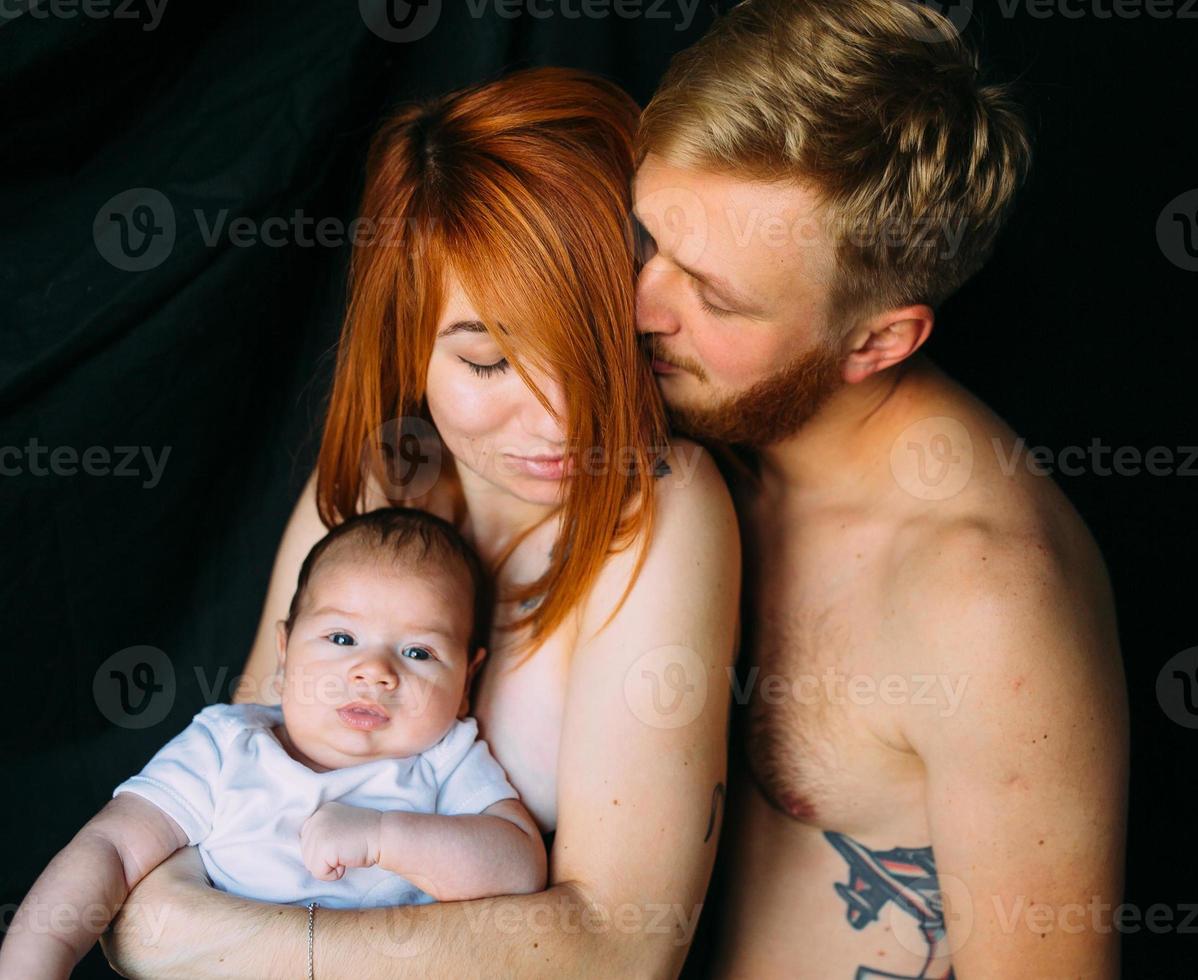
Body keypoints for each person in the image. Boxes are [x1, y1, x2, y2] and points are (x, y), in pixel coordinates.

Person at [100, 67, 740, 979]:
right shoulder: (388, 477)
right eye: (486, 362)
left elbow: (623, 948)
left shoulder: (663, 507)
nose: (560, 423)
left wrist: (196, 935)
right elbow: (229, 775)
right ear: (412, 338)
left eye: (594, 353)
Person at [632, 1, 1128, 976]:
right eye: (649, 240)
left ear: (879, 341)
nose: (644, 307)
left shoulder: (981, 594)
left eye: (716, 296)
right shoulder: (694, 432)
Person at [0, 508, 546, 979]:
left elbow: (520, 866)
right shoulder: (225, 746)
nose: (373, 671)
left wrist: (385, 836)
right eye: (341, 638)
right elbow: (112, 849)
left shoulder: (446, 758)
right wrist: (36, 958)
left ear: (466, 682)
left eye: (419, 652)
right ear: (284, 653)